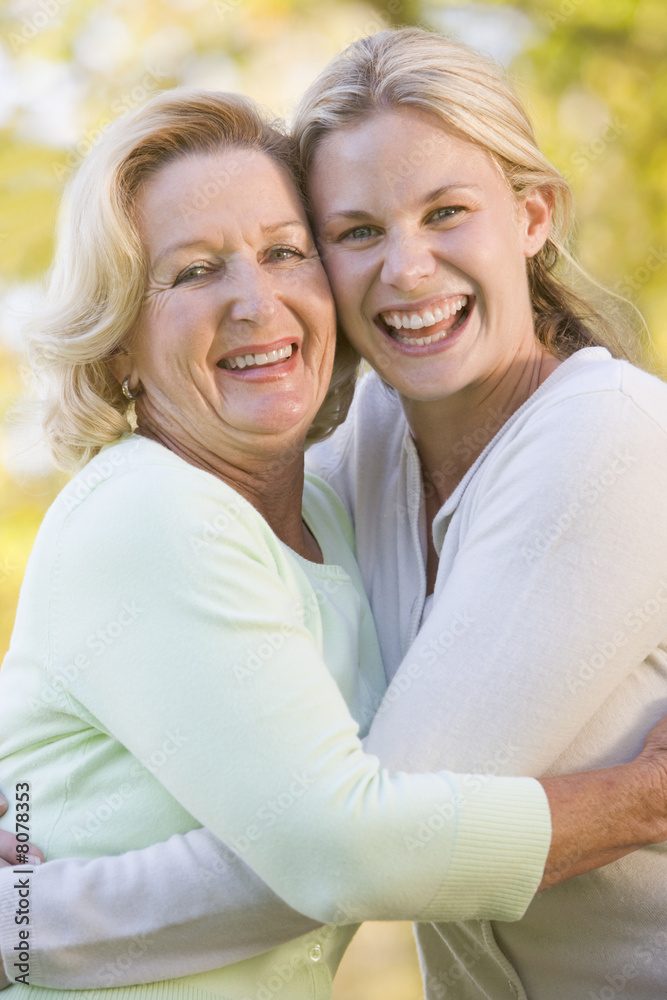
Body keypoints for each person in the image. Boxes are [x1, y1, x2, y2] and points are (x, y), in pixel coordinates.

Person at [1, 34, 667, 999]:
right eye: (353, 232)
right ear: (117, 345)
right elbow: (347, 840)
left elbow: (348, 843)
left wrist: (30, 924)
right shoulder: (343, 460)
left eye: (282, 251)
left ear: (532, 215)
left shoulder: (600, 440)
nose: (405, 270)